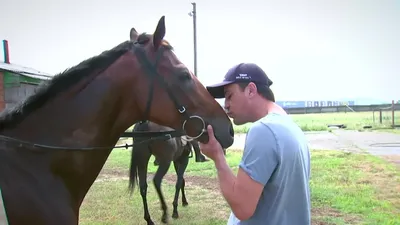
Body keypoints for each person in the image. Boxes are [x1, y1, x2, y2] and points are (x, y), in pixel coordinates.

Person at [200, 63, 311, 225]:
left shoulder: (264, 130)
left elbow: (242, 208)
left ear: (251, 90)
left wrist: (218, 157)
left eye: (229, 95)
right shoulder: (291, 128)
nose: (226, 105)